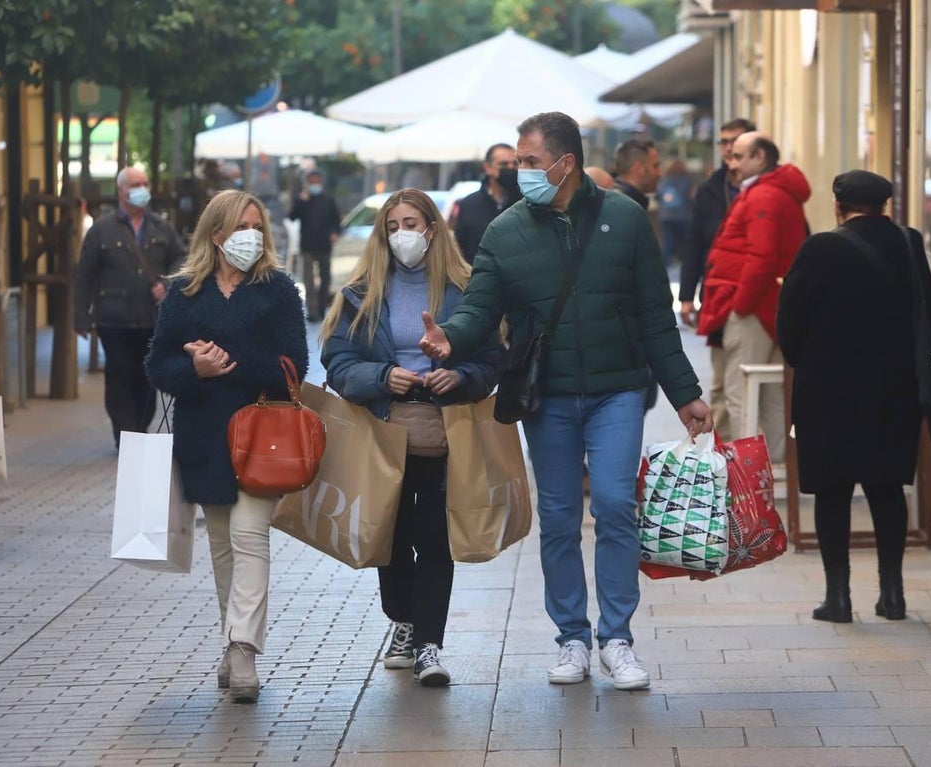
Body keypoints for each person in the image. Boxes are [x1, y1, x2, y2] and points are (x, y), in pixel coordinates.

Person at [418, 112, 713, 690]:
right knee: (556, 516)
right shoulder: (505, 231)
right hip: (545, 394)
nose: (518, 171)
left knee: (612, 504)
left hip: (617, 388)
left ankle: (618, 639)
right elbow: (481, 308)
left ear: (565, 163)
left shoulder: (627, 220)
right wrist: (450, 338)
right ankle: (573, 638)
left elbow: (656, 316)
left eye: (529, 162)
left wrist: (686, 395)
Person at [321, 189, 501, 687]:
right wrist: (383, 377)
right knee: (392, 537)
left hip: (445, 433)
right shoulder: (360, 294)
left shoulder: (464, 290)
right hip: (382, 432)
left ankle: (428, 644)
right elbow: (338, 365)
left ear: (433, 229)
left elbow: (491, 361)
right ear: (383, 234)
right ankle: (402, 618)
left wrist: (459, 376)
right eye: (394, 224)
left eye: (413, 223)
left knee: (434, 538)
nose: (404, 233)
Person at [144, 190, 308, 703]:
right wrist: (194, 368)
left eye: (257, 227)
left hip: (262, 437)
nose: (251, 237)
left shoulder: (278, 290)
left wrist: (226, 360)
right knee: (222, 548)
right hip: (205, 437)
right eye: (241, 227)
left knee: (247, 537)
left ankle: (242, 649)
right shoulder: (183, 293)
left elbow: (293, 369)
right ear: (216, 235)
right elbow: (157, 365)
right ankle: (233, 643)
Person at [778, 170, 931, 623]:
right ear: (885, 205)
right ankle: (893, 594)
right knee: (887, 486)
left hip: (828, 389)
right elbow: (930, 309)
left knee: (832, 489)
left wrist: (805, 358)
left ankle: (838, 598)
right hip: (895, 387)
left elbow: (790, 321)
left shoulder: (818, 249)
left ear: (838, 206)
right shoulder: (908, 244)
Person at [696, 132, 810, 461]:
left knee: (741, 392)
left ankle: (744, 474)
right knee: (773, 393)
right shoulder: (773, 193)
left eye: (739, 156)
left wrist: (741, 305)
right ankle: (771, 471)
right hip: (767, 305)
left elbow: (762, 256)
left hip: (753, 308)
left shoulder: (764, 196)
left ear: (760, 158)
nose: (731, 164)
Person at [74, 167, 186, 449]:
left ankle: (139, 428)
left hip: (151, 319)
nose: (143, 188)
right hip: (114, 319)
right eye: (136, 184)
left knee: (147, 377)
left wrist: (166, 283)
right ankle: (125, 433)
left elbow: (181, 260)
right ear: (121, 190)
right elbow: (84, 274)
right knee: (120, 374)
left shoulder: (161, 228)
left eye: (145, 183)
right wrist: (81, 317)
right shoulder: (102, 230)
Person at [678, 118, 756, 440]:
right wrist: (686, 296)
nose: (728, 148)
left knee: (754, 384)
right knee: (723, 383)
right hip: (720, 296)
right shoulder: (711, 189)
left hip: (757, 297)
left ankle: (759, 458)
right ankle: (724, 458)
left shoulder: (767, 188)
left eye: (735, 141)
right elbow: (694, 242)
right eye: (724, 142)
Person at [452, 143, 520, 264]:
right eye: (503, 164)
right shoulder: (469, 204)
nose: (510, 168)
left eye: (515, 164)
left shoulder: (524, 203)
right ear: (488, 168)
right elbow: (459, 249)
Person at [287, 169, 341, 321]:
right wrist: (301, 201)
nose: (315, 184)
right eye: (312, 182)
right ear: (307, 183)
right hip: (307, 247)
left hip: (325, 246)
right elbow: (292, 217)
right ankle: (312, 312)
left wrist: (335, 233)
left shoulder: (329, 200)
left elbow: (336, 220)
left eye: (317, 181)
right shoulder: (302, 200)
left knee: (325, 280)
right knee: (308, 281)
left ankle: (322, 309)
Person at [656, 159, 694, 266]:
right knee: (686, 244)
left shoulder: (664, 180)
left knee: (667, 243)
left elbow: (658, 196)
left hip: (666, 216)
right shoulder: (686, 181)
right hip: (683, 217)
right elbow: (690, 198)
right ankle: (686, 265)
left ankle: (663, 266)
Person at [611, 138, 661, 210]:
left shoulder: (613, 200)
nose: (660, 173)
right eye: (655, 166)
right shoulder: (625, 208)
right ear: (638, 168)